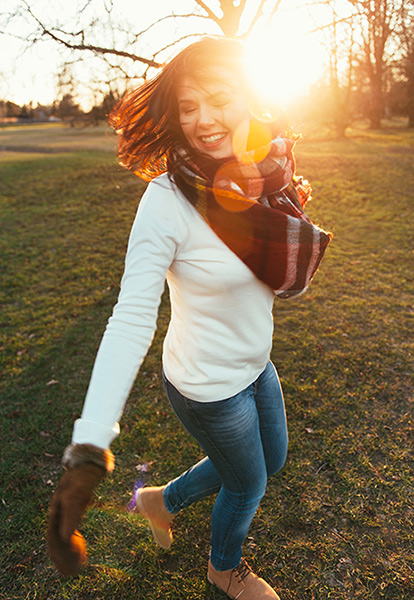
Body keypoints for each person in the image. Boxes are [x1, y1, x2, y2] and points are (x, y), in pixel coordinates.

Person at [47, 37, 331, 599]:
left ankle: (160, 501)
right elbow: (130, 318)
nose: (203, 120)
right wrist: (88, 447)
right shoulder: (167, 201)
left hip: (256, 365)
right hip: (207, 385)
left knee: (271, 460)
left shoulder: (262, 173)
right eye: (188, 107)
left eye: (219, 99)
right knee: (247, 482)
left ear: (250, 96)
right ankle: (224, 568)